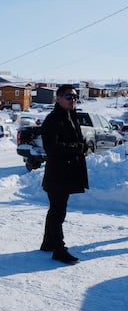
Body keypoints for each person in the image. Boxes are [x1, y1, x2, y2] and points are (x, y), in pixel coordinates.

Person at [40, 84, 89, 264]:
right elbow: (52, 148)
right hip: (57, 174)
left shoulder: (70, 117)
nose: (73, 100)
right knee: (57, 212)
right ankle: (59, 249)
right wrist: (78, 147)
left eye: (75, 97)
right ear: (58, 98)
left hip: (67, 173)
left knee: (57, 209)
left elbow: (75, 140)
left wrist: (82, 145)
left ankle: (48, 243)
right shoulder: (53, 120)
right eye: (69, 96)